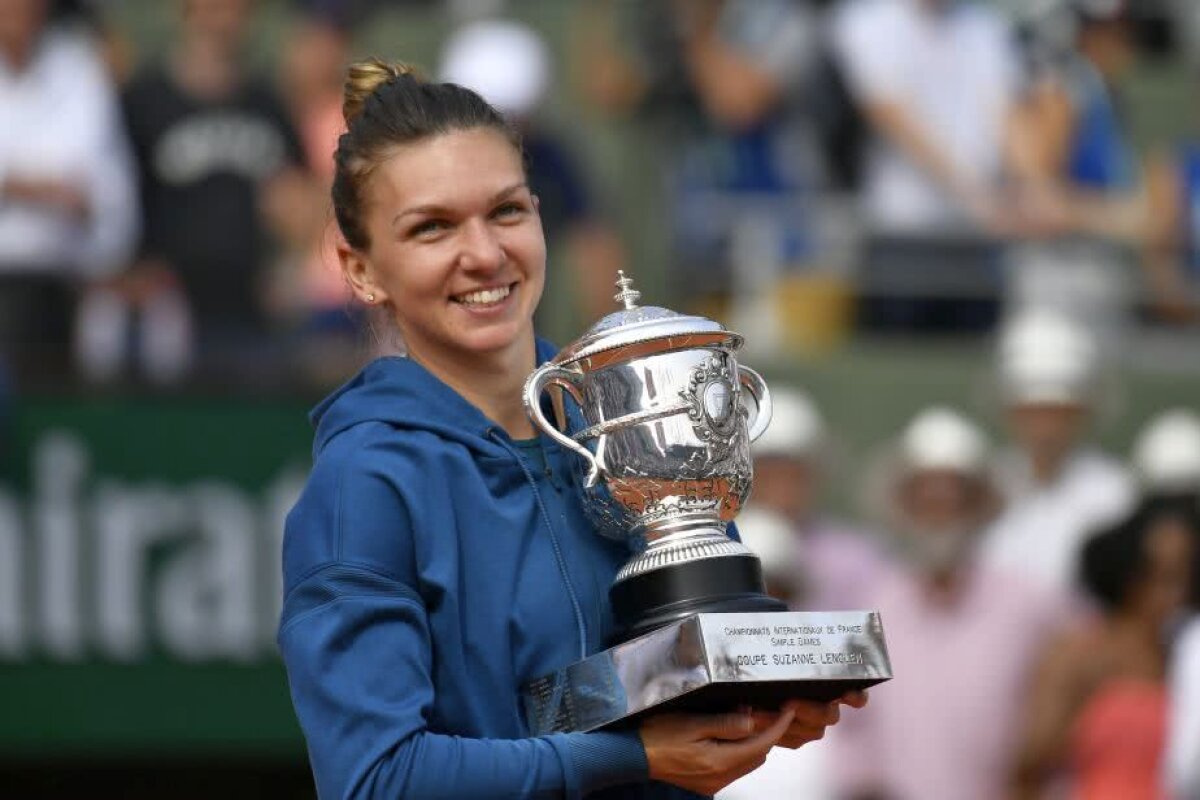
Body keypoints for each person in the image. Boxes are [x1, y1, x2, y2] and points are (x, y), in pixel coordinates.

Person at [278, 58, 865, 799]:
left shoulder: (624, 426)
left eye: (508, 211)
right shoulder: (363, 486)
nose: (485, 253)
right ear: (358, 269)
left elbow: (677, 678)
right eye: (433, 228)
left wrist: (756, 705)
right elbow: (377, 779)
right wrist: (637, 757)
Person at [829, 407, 1072, 800]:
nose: (939, 506)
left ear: (979, 505)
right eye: (926, 495)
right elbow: (846, 732)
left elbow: (1074, 690)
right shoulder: (866, 604)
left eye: (954, 494)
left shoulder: (1033, 604)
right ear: (904, 506)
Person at [1009, 496, 1199, 800]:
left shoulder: (1185, 656)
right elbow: (1029, 769)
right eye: (1159, 576)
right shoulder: (1082, 653)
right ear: (1128, 572)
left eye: (1183, 577)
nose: (1175, 594)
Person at [0, 0, 138, 379]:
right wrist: (44, 190)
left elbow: (108, 198)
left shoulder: (78, 71)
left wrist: (14, 186)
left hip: (61, 296)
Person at [979, 309, 1134, 599]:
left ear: (1084, 413)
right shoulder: (981, 485)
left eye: (1057, 412)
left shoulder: (1116, 493)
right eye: (1032, 411)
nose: (1045, 428)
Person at [744, 386, 893, 612]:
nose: (783, 489)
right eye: (770, 472)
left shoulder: (857, 557)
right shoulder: (712, 552)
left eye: (795, 474)